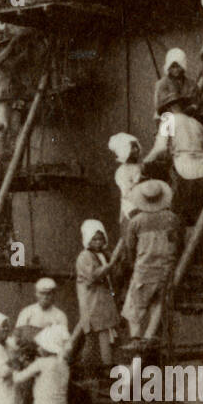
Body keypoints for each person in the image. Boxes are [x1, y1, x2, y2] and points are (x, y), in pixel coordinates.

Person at [107, 180, 183, 341]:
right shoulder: (172, 218)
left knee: (132, 308)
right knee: (158, 303)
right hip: (166, 269)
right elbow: (178, 242)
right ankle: (149, 336)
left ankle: (136, 338)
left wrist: (132, 264)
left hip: (145, 269)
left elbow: (130, 247)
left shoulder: (136, 222)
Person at [147, 96, 203, 226]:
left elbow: (160, 147)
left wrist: (145, 162)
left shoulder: (169, 120)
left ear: (169, 109)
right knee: (197, 216)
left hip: (185, 170)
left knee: (176, 213)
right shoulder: (196, 123)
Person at [75, 221, 118, 378]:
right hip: (92, 299)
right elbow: (93, 275)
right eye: (94, 239)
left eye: (100, 239)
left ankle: (101, 368)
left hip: (103, 298)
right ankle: (95, 369)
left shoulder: (104, 254)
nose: (98, 242)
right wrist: (109, 266)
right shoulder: (85, 256)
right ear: (87, 240)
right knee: (96, 334)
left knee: (103, 333)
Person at [15, 277, 68, 343]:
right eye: (42, 293)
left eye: (48, 294)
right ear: (36, 294)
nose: (45, 297)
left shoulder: (60, 315)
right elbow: (17, 335)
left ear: (54, 295)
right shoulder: (27, 312)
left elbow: (64, 339)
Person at [108, 132, 143, 223]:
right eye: (132, 147)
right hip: (131, 206)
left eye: (137, 146)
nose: (136, 150)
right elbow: (127, 193)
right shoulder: (122, 171)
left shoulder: (140, 166)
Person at [153, 48, 194, 120]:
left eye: (178, 66)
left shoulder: (191, 84)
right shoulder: (162, 84)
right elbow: (163, 105)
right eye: (173, 67)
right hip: (168, 118)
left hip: (188, 119)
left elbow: (195, 102)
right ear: (168, 67)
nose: (176, 70)